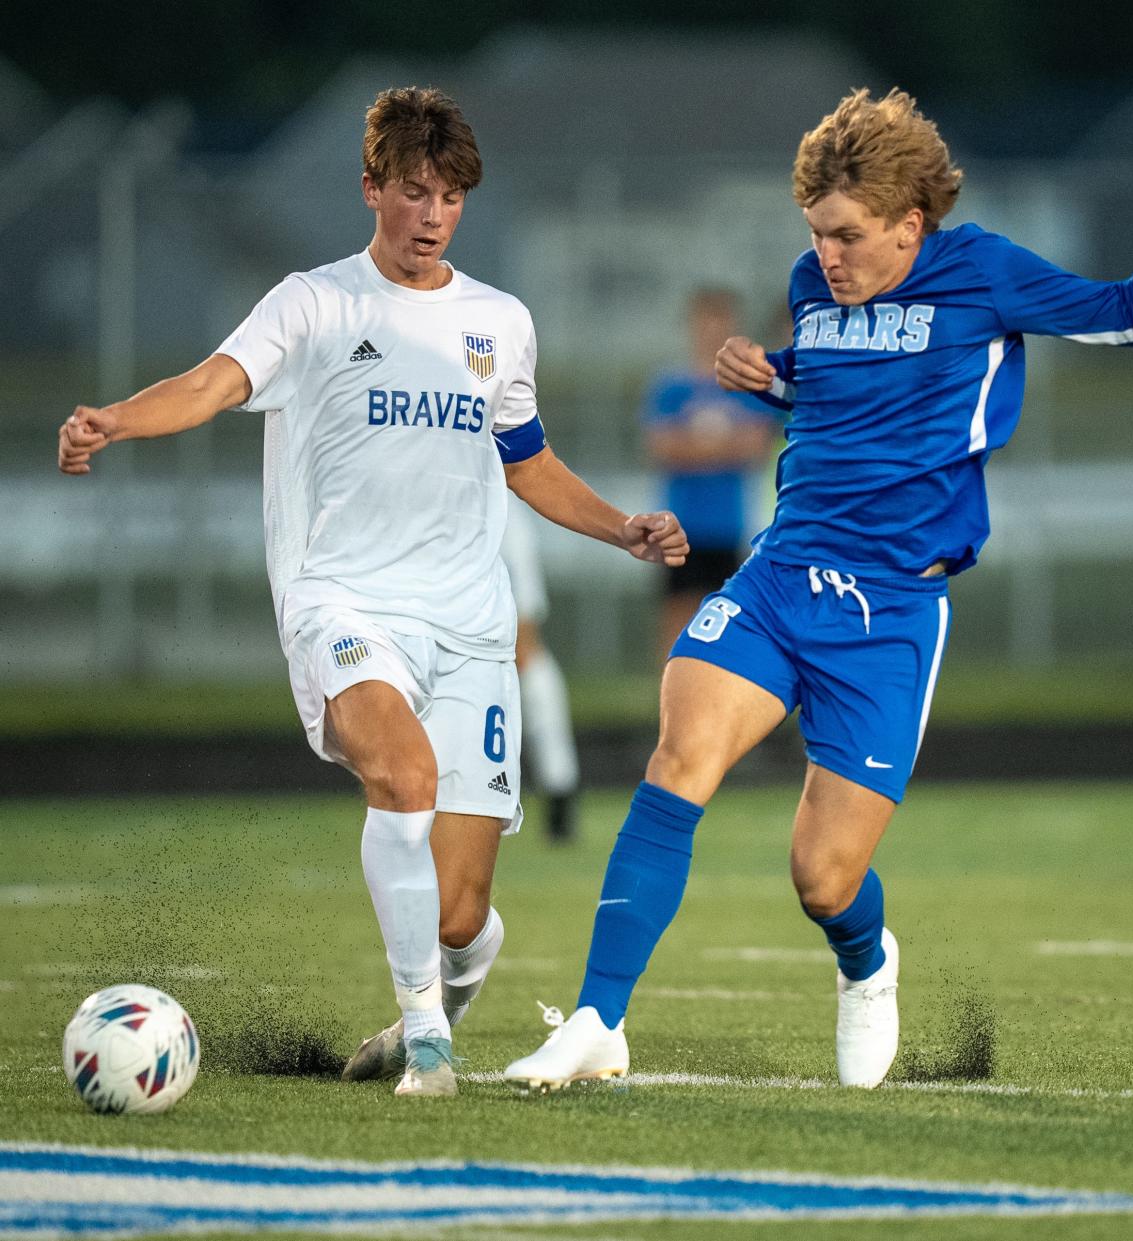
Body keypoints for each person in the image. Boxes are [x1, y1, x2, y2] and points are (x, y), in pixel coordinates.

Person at [503, 88, 1133, 1093]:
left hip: (891, 610)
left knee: (823, 876)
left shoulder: (986, 274)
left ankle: (867, 961)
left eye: (848, 236)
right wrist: (774, 375)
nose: (827, 255)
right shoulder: (814, 285)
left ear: (910, 225)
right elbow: (834, 378)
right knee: (681, 756)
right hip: (782, 569)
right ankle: (598, 1018)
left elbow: (1127, 317)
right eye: (817, 235)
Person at [57, 85, 688, 1100]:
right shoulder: (314, 303)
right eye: (413, 191)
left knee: (457, 915)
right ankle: (429, 1036)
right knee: (400, 773)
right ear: (371, 189)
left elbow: (527, 461)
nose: (432, 214)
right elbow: (217, 382)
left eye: (450, 197)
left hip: (471, 626)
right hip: (343, 603)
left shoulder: (499, 322)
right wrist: (115, 421)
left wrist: (622, 527)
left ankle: (447, 983)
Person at [643, 288, 781, 658]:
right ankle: (669, 705)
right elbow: (663, 448)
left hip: (729, 525)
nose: (712, 329)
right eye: (705, 320)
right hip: (680, 524)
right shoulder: (672, 387)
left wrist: (696, 444)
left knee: (728, 623)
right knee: (677, 619)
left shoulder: (749, 386)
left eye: (720, 320)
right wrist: (722, 446)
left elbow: (755, 448)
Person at [502, 493, 581, 842]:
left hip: (493, 636)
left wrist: (522, 638)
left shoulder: (504, 509)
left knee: (539, 687)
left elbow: (526, 616)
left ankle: (560, 797)